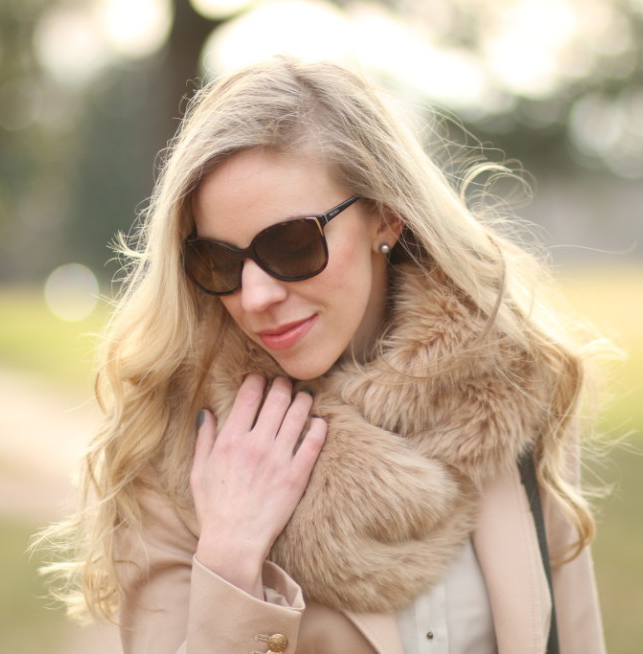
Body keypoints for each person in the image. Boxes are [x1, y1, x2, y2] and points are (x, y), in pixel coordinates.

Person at [41, 57, 611, 654]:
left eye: (291, 244)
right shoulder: (179, 444)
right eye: (220, 261)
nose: (254, 296)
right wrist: (230, 558)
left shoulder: (510, 384)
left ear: (385, 216)